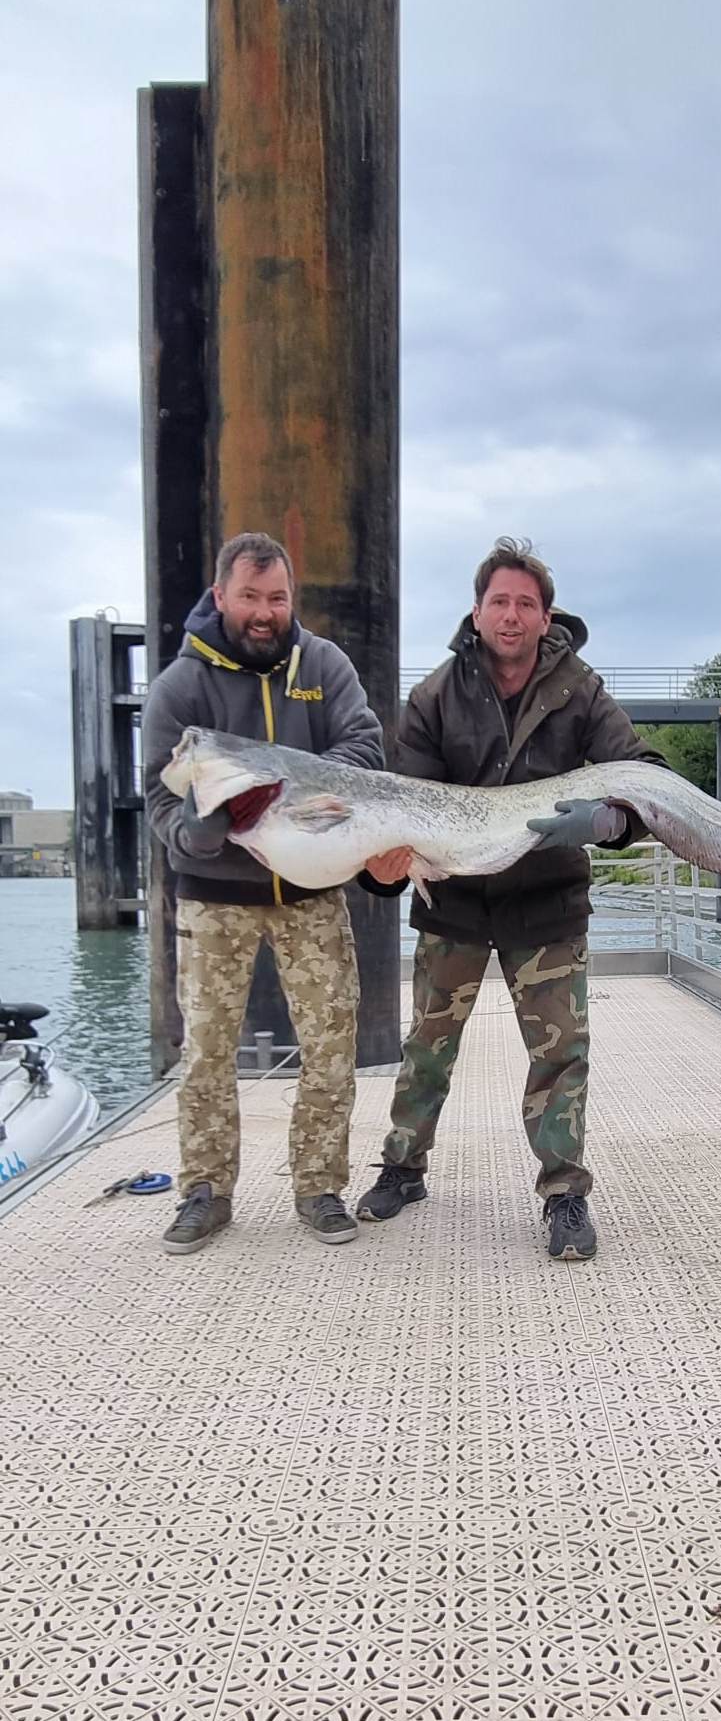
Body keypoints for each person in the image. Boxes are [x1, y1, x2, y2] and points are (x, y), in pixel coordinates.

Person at [356, 536, 667, 1261]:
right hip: (454, 904)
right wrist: (386, 864)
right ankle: (403, 1168)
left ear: (545, 615)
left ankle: (564, 1194)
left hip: (547, 903)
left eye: (526, 603)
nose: (512, 614)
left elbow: (643, 772)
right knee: (426, 1049)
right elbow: (409, 802)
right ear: (477, 610)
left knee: (562, 1055)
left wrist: (607, 819)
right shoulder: (435, 694)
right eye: (500, 600)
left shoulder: (580, 689)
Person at [143, 530, 394, 1254]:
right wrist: (200, 832)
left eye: (277, 598)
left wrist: (290, 787)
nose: (264, 612)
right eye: (249, 597)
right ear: (220, 596)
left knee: (331, 1044)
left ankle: (319, 1186)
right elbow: (161, 803)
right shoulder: (180, 688)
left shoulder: (324, 666)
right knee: (207, 1052)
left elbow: (364, 746)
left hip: (310, 892)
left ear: (292, 599)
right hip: (213, 894)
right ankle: (204, 1190)